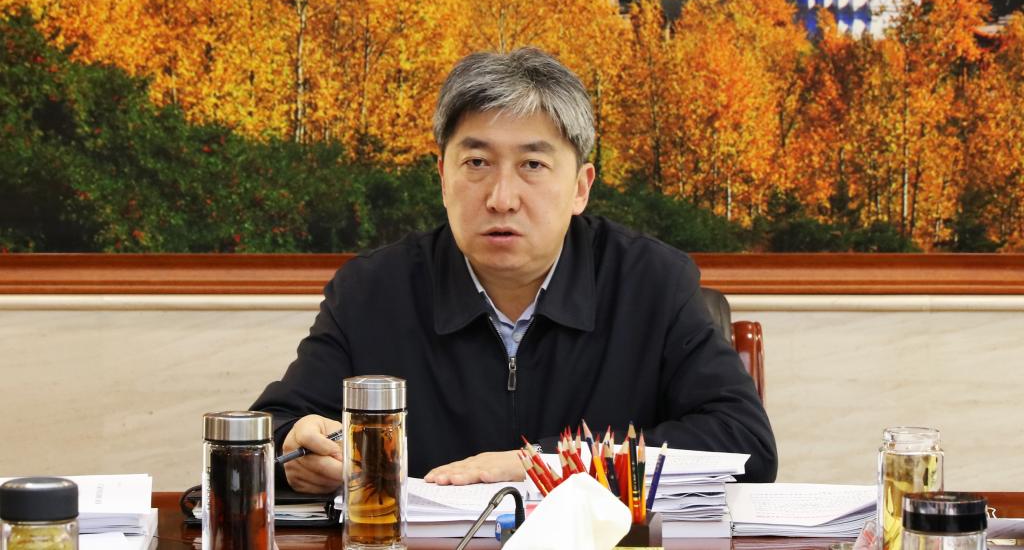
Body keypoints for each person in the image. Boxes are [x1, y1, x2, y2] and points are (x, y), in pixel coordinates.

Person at [251, 47, 777, 494]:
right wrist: (295, 447)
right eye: (477, 163)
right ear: (443, 177)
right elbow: (271, 433)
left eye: (533, 165)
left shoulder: (651, 282)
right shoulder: (371, 292)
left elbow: (744, 444)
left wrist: (543, 466)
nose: (502, 198)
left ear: (580, 187)